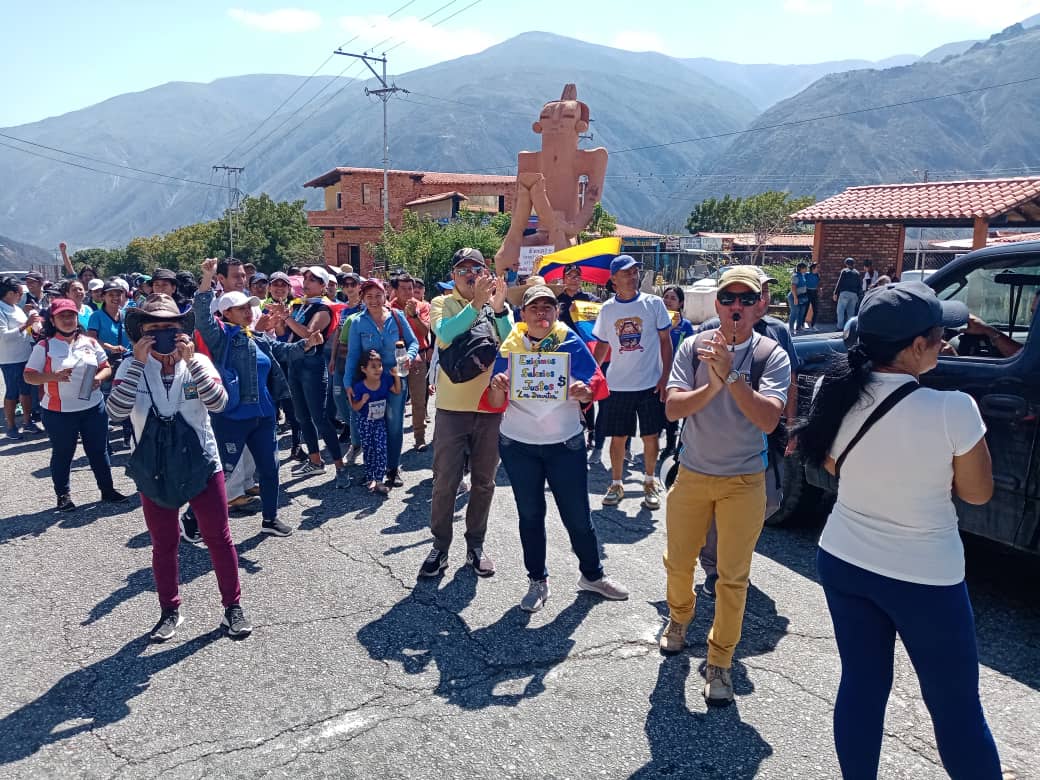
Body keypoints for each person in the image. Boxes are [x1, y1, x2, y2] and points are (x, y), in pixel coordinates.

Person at [795, 281, 1003, 778]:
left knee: (863, 686)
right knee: (955, 706)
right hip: (925, 576)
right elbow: (977, 494)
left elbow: (829, 463)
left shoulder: (833, 388)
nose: (945, 343)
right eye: (938, 335)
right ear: (915, 347)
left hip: (845, 558)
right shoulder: (953, 409)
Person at [659, 266, 790, 705]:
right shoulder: (693, 347)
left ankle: (720, 662)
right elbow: (674, 409)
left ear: (760, 306)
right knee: (678, 564)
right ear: (716, 304)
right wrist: (713, 382)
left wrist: (731, 376)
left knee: (732, 579)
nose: (736, 307)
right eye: (729, 299)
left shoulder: (771, 354)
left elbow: (769, 419)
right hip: (693, 473)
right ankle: (679, 618)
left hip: (743, 481)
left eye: (746, 300)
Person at [108, 294, 252, 641]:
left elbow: (219, 404)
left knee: (219, 537)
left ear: (180, 330)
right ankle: (169, 610)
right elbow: (115, 413)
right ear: (140, 332)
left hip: (202, 461)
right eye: (153, 327)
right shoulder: (131, 366)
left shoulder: (198, 361)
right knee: (164, 542)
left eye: (169, 327)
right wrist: (140, 363)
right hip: (153, 466)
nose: (162, 333)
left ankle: (233, 607)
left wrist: (193, 363)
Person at [486, 283, 628, 611]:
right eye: (534, 307)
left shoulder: (569, 341)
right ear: (522, 314)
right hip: (518, 445)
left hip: (565, 444)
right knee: (531, 515)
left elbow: (594, 385)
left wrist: (584, 392)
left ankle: (592, 575)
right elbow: (494, 401)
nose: (541, 313)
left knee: (577, 515)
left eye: (547, 307)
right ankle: (537, 580)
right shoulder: (511, 346)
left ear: (556, 311)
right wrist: (497, 386)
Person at [692, 267, 801, 599]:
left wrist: (792, 424)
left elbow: (792, 381)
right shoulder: (710, 331)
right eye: (733, 296)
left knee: (769, 499)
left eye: (756, 294)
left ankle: (732, 552)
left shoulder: (778, 333)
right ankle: (714, 566)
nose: (747, 302)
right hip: (719, 434)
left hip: (766, 427)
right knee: (718, 503)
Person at [195, 258, 319, 534]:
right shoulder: (221, 336)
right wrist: (207, 277)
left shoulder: (255, 336)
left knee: (270, 469)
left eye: (250, 307)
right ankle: (191, 521)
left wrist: (307, 343)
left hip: (263, 414)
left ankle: (270, 520)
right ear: (226, 313)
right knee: (222, 471)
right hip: (232, 415)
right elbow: (202, 315)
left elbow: (282, 351)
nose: (250, 311)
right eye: (242, 308)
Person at [421, 248, 512, 578]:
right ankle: (440, 546)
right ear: (454, 275)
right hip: (452, 409)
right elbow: (444, 336)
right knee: (445, 481)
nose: (470, 274)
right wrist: (476, 304)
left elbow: (511, 342)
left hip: (490, 408)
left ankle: (475, 545)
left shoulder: (496, 307)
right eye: (463, 270)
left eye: (477, 269)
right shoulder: (441, 304)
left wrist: (498, 307)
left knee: (484, 482)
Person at [23, 297, 128, 511]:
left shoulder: (89, 342)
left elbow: (105, 366)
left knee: (98, 451)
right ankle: (63, 495)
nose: (67, 319)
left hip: (93, 408)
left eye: (71, 315)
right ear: (52, 319)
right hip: (58, 411)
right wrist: (52, 376)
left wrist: (100, 378)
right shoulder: (44, 346)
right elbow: (29, 376)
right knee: (63, 453)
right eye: (62, 315)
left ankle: (107, 490)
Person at [591, 255, 673, 511]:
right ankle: (616, 483)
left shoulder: (654, 304)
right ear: (614, 280)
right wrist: (593, 375)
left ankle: (649, 483)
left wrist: (665, 376)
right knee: (618, 437)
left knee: (650, 436)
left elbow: (665, 341)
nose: (633, 275)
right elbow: (603, 345)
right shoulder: (607, 310)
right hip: (618, 384)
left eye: (635, 271)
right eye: (626, 272)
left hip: (650, 383)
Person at [345, 278, 418, 487]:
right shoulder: (358, 322)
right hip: (369, 382)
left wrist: (409, 357)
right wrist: (348, 381)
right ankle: (373, 469)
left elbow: (412, 342)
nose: (374, 300)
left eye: (378, 295)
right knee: (371, 424)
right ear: (362, 298)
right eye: (369, 296)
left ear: (385, 295)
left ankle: (393, 468)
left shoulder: (397, 317)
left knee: (394, 425)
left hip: (394, 379)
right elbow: (353, 355)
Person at [280, 266, 348, 481]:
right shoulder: (300, 305)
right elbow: (286, 335)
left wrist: (287, 319)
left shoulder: (324, 308)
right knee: (301, 416)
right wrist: (280, 320)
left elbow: (309, 335)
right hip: (295, 363)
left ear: (323, 286)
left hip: (312, 365)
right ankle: (315, 460)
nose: (307, 282)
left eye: (314, 280)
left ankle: (339, 465)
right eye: (306, 278)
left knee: (319, 417)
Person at [349, 349, 402, 494]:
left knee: (381, 448)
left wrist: (396, 376)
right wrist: (363, 401)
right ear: (363, 369)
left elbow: (397, 391)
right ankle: (369, 477)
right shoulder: (360, 386)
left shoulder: (384, 380)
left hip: (379, 421)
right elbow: (354, 406)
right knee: (369, 449)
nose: (378, 369)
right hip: (365, 422)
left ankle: (379, 480)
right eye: (373, 366)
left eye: (379, 365)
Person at [391, 273, 432, 451]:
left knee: (418, 399)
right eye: (404, 288)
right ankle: (394, 438)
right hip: (395, 358)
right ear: (395, 290)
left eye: (410, 288)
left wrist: (414, 315)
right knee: (396, 399)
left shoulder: (422, 306)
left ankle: (419, 437)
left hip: (418, 358)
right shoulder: (389, 308)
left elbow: (424, 332)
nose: (408, 292)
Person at [329, 271, 364, 461]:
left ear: (359, 286)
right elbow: (337, 334)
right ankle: (352, 429)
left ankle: (356, 443)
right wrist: (333, 358)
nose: (349, 288)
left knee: (353, 400)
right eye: (346, 284)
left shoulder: (364, 307)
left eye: (353, 284)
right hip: (341, 359)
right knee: (338, 396)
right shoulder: (343, 310)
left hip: (357, 360)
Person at [0, 276, 40, 439]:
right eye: (19, 293)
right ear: (10, 293)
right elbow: (3, 336)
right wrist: (27, 324)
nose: (21, 296)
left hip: (24, 355)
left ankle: (27, 421)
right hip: (10, 359)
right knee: (12, 392)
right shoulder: (1, 309)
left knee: (26, 390)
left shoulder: (15, 307)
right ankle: (10, 426)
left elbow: (26, 331)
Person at [661, 285, 695, 458]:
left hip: (677, 374)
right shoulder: (657, 322)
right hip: (657, 372)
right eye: (666, 297)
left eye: (673, 298)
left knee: (672, 412)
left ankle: (671, 446)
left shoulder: (685, 325)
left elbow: (690, 351)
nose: (668, 301)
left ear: (680, 303)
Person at [833, 257, 861, 330]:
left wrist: (835, 293)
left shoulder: (844, 271)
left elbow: (840, 282)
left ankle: (840, 327)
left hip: (845, 293)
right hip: (854, 295)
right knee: (851, 313)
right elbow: (859, 285)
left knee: (840, 310)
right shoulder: (857, 273)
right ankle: (849, 328)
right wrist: (858, 296)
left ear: (846, 264)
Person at [788, 262, 809, 333]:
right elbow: (793, 287)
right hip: (794, 296)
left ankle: (799, 327)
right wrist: (795, 298)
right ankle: (791, 328)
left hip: (802, 297)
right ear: (801, 268)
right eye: (805, 268)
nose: (806, 269)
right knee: (795, 312)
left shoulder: (803, 275)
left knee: (801, 312)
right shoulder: (796, 276)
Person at [803, 262, 820, 329]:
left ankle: (813, 325)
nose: (818, 269)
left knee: (816, 310)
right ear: (813, 268)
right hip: (807, 292)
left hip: (815, 292)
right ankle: (802, 324)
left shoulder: (817, 275)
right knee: (805, 309)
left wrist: (819, 290)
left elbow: (818, 284)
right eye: (817, 267)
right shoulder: (806, 275)